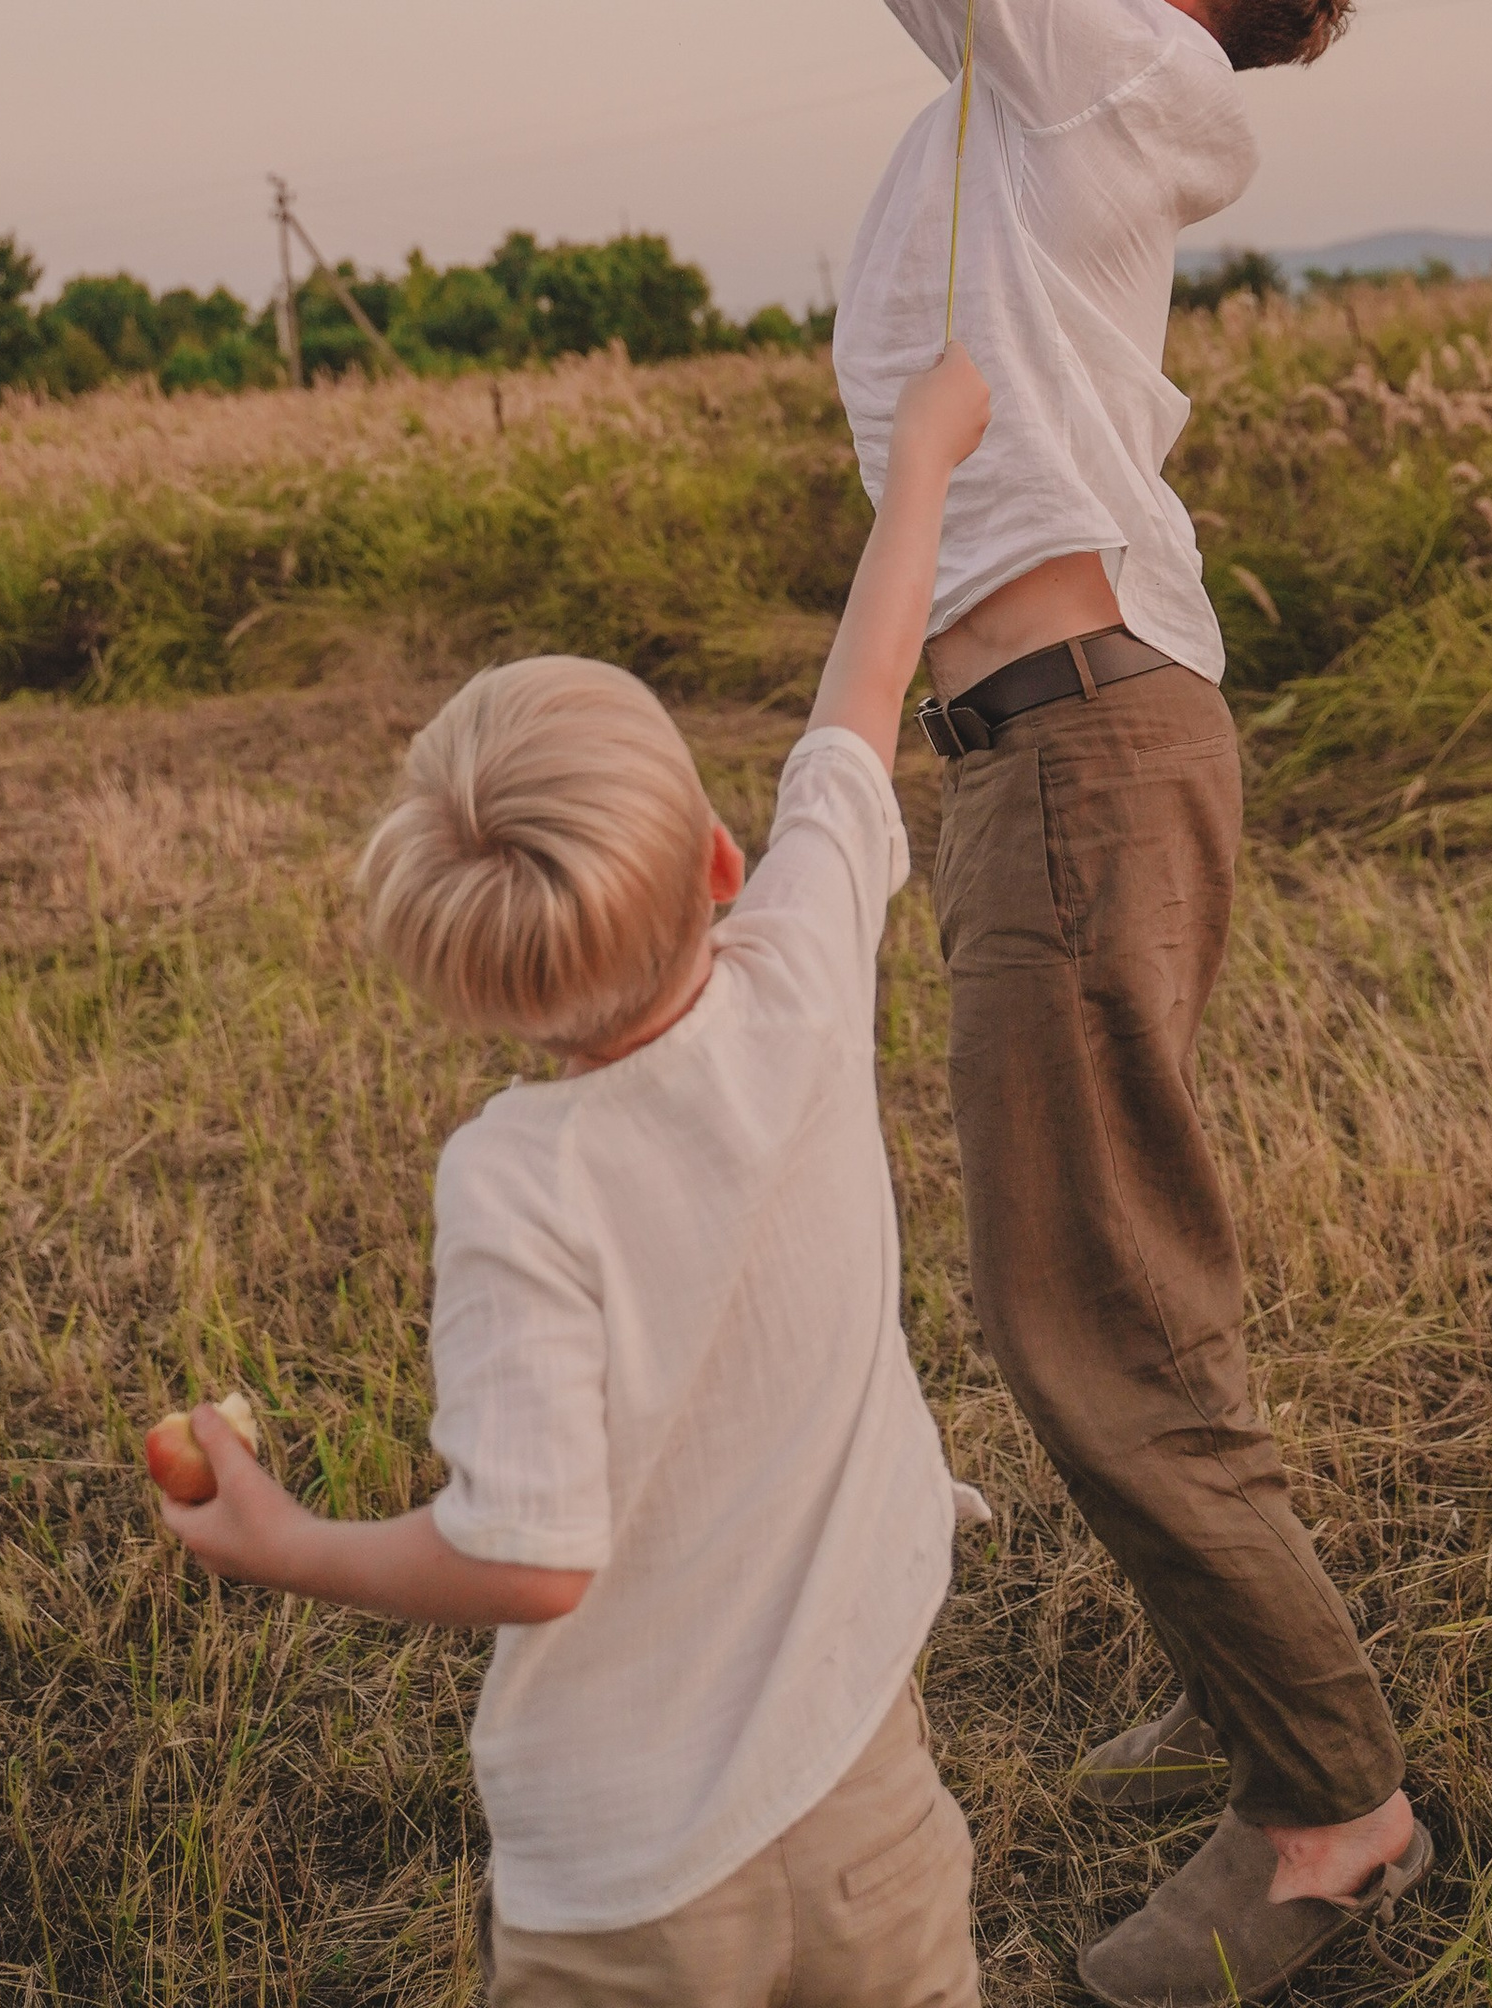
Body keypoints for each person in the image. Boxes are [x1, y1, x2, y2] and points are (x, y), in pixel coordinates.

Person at [611, 0, 1434, 2008]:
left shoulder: (1097, 63)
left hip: (1072, 755)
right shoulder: (1061, 93)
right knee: (1096, 1285)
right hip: (1061, 748)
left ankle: (1338, 1832)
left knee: (1097, 1316)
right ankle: (1256, 1708)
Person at [155, 341, 996, 2008]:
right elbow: (864, 698)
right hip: (863, 1788)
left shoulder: (517, 1185)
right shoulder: (808, 971)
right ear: (717, 862)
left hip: (628, 1887)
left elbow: (534, 1556)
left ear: (463, 984)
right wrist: (923, 465)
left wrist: (288, 1542)